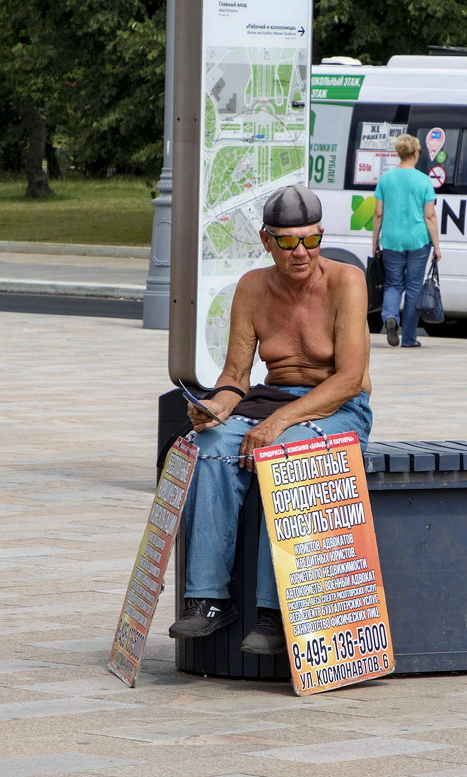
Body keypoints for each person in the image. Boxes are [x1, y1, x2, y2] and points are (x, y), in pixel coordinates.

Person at [168, 184, 374, 655]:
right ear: (266, 241)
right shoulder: (253, 287)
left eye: (310, 239)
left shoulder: (346, 281)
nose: (301, 251)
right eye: (287, 241)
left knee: (283, 454)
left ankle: (274, 611)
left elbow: (348, 379)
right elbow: (236, 376)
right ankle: (209, 599)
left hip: (337, 406)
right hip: (272, 400)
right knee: (212, 448)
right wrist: (216, 406)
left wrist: (279, 422)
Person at [371, 134, 441, 348]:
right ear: (416, 153)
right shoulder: (423, 181)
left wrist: (375, 240)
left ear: (399, 153)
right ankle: (409, 338)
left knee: (393, 284)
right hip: (418, 239)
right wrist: (437, 246)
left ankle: (390, 316)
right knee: (413, 288)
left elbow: (378, 213)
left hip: (391, 239)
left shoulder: (386, 178)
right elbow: (430, 216)